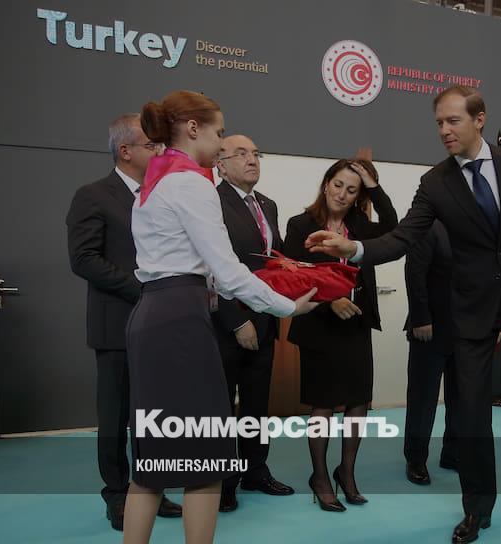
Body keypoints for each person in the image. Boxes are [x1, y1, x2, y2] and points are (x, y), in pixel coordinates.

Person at [305, 85, 501, 543]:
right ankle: (477, 506)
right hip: (470, 309)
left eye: (453, 120)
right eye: (439, 123)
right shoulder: (435, 182)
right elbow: (403, 237)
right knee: (470, 411)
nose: (444, 130)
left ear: (479, 118)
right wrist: (354, 249)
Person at [123, 90, 317, 544]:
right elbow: (227, 272)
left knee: (152, 463)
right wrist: (287, 306)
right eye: (220, 132)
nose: (222, 142)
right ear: (194, 129)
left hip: (152, 314)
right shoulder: (191, 184)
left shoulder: (153, 182)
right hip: (181, 320)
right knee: (206, 462)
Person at [65, 114, 181, 530]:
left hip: (161, 324)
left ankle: (152, 488)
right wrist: (144, 288)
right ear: (126, 150)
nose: (160, 151)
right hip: (117, 322)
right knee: (116, 417)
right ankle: (117, 495)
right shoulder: (93, 195)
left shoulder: (161, 196)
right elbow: (84, 259)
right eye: (152, 145)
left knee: (154, 415)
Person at [283, 157, 398, 512]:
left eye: (352, 189)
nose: (343, 194)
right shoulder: (301, 224)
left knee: (357, 401)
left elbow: (393, 226)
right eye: (338, 185)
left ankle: (346, 472)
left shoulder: (360, 225)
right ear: (326, 184)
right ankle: (320, 477)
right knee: (323, 404)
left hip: (356, 324)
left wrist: (373, 186)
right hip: (319, 325)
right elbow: (292, 274)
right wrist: (329, 300)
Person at [212, 134, 295, 512]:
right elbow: (212, 266)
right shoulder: (212, 202)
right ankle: (223, 481)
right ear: (220, 165)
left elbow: (271, 259)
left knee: (257, 404)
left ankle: (255, 470)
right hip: (226, 322)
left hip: (264, 320)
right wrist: (234, 320)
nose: (252, 160)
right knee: (221, 406)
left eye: (256, 154)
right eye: (241, 154)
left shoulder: (267, 204)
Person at [403, 219, 459, 485]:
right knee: (423, 398)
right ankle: (415, 459)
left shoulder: (473, 224)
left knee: (462, 398)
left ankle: (453, 454)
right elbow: (414, 273)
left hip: (467, 329)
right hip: (430, 327)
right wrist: (421, 318)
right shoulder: (428, 225)